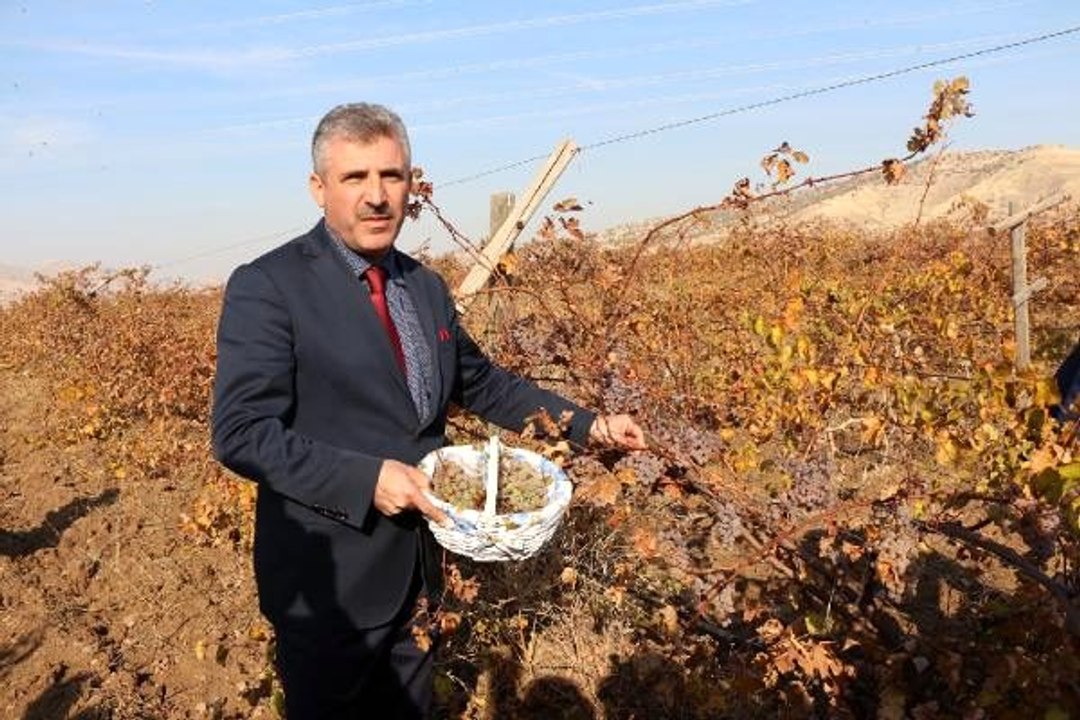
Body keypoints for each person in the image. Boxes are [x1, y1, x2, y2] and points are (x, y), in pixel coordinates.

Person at [211, 102, 646, 719]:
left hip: (418, 575)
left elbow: (484, 385)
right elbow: (241, 433)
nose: (376, 196)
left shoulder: (424, 287)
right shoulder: (269, 286)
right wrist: (368, 480)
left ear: (411, 183)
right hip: (329, 587)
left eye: (391, 176)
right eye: (354, 178)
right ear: (318, 189)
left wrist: (587, 426)